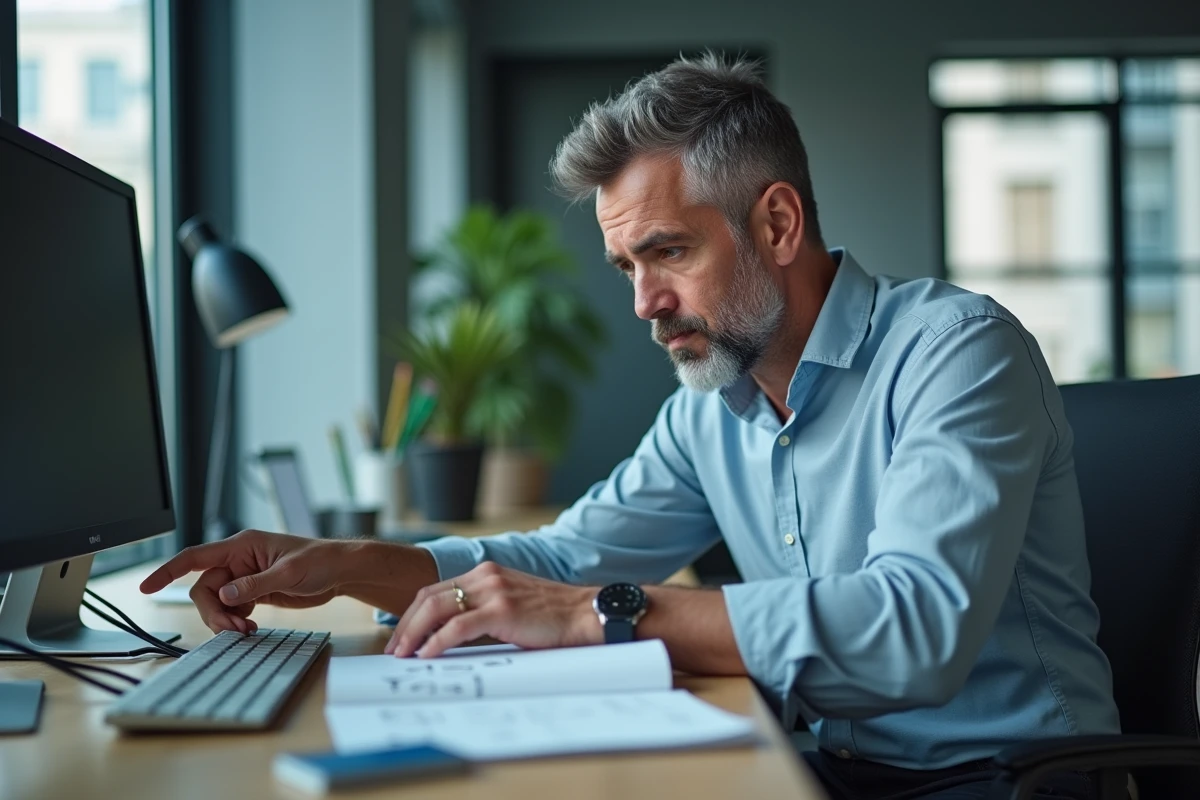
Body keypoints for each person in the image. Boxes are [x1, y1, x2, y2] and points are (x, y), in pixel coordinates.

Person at [142, 54, 1124, 800]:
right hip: (827, 765)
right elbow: (562, 554)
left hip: (1011, 776)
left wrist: (597, 611)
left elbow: (915, 628)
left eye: (668, 252)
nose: (646, 303)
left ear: (777, 224)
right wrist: (353, 560)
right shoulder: (714, 405)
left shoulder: (958, 351)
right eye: (627, 268)